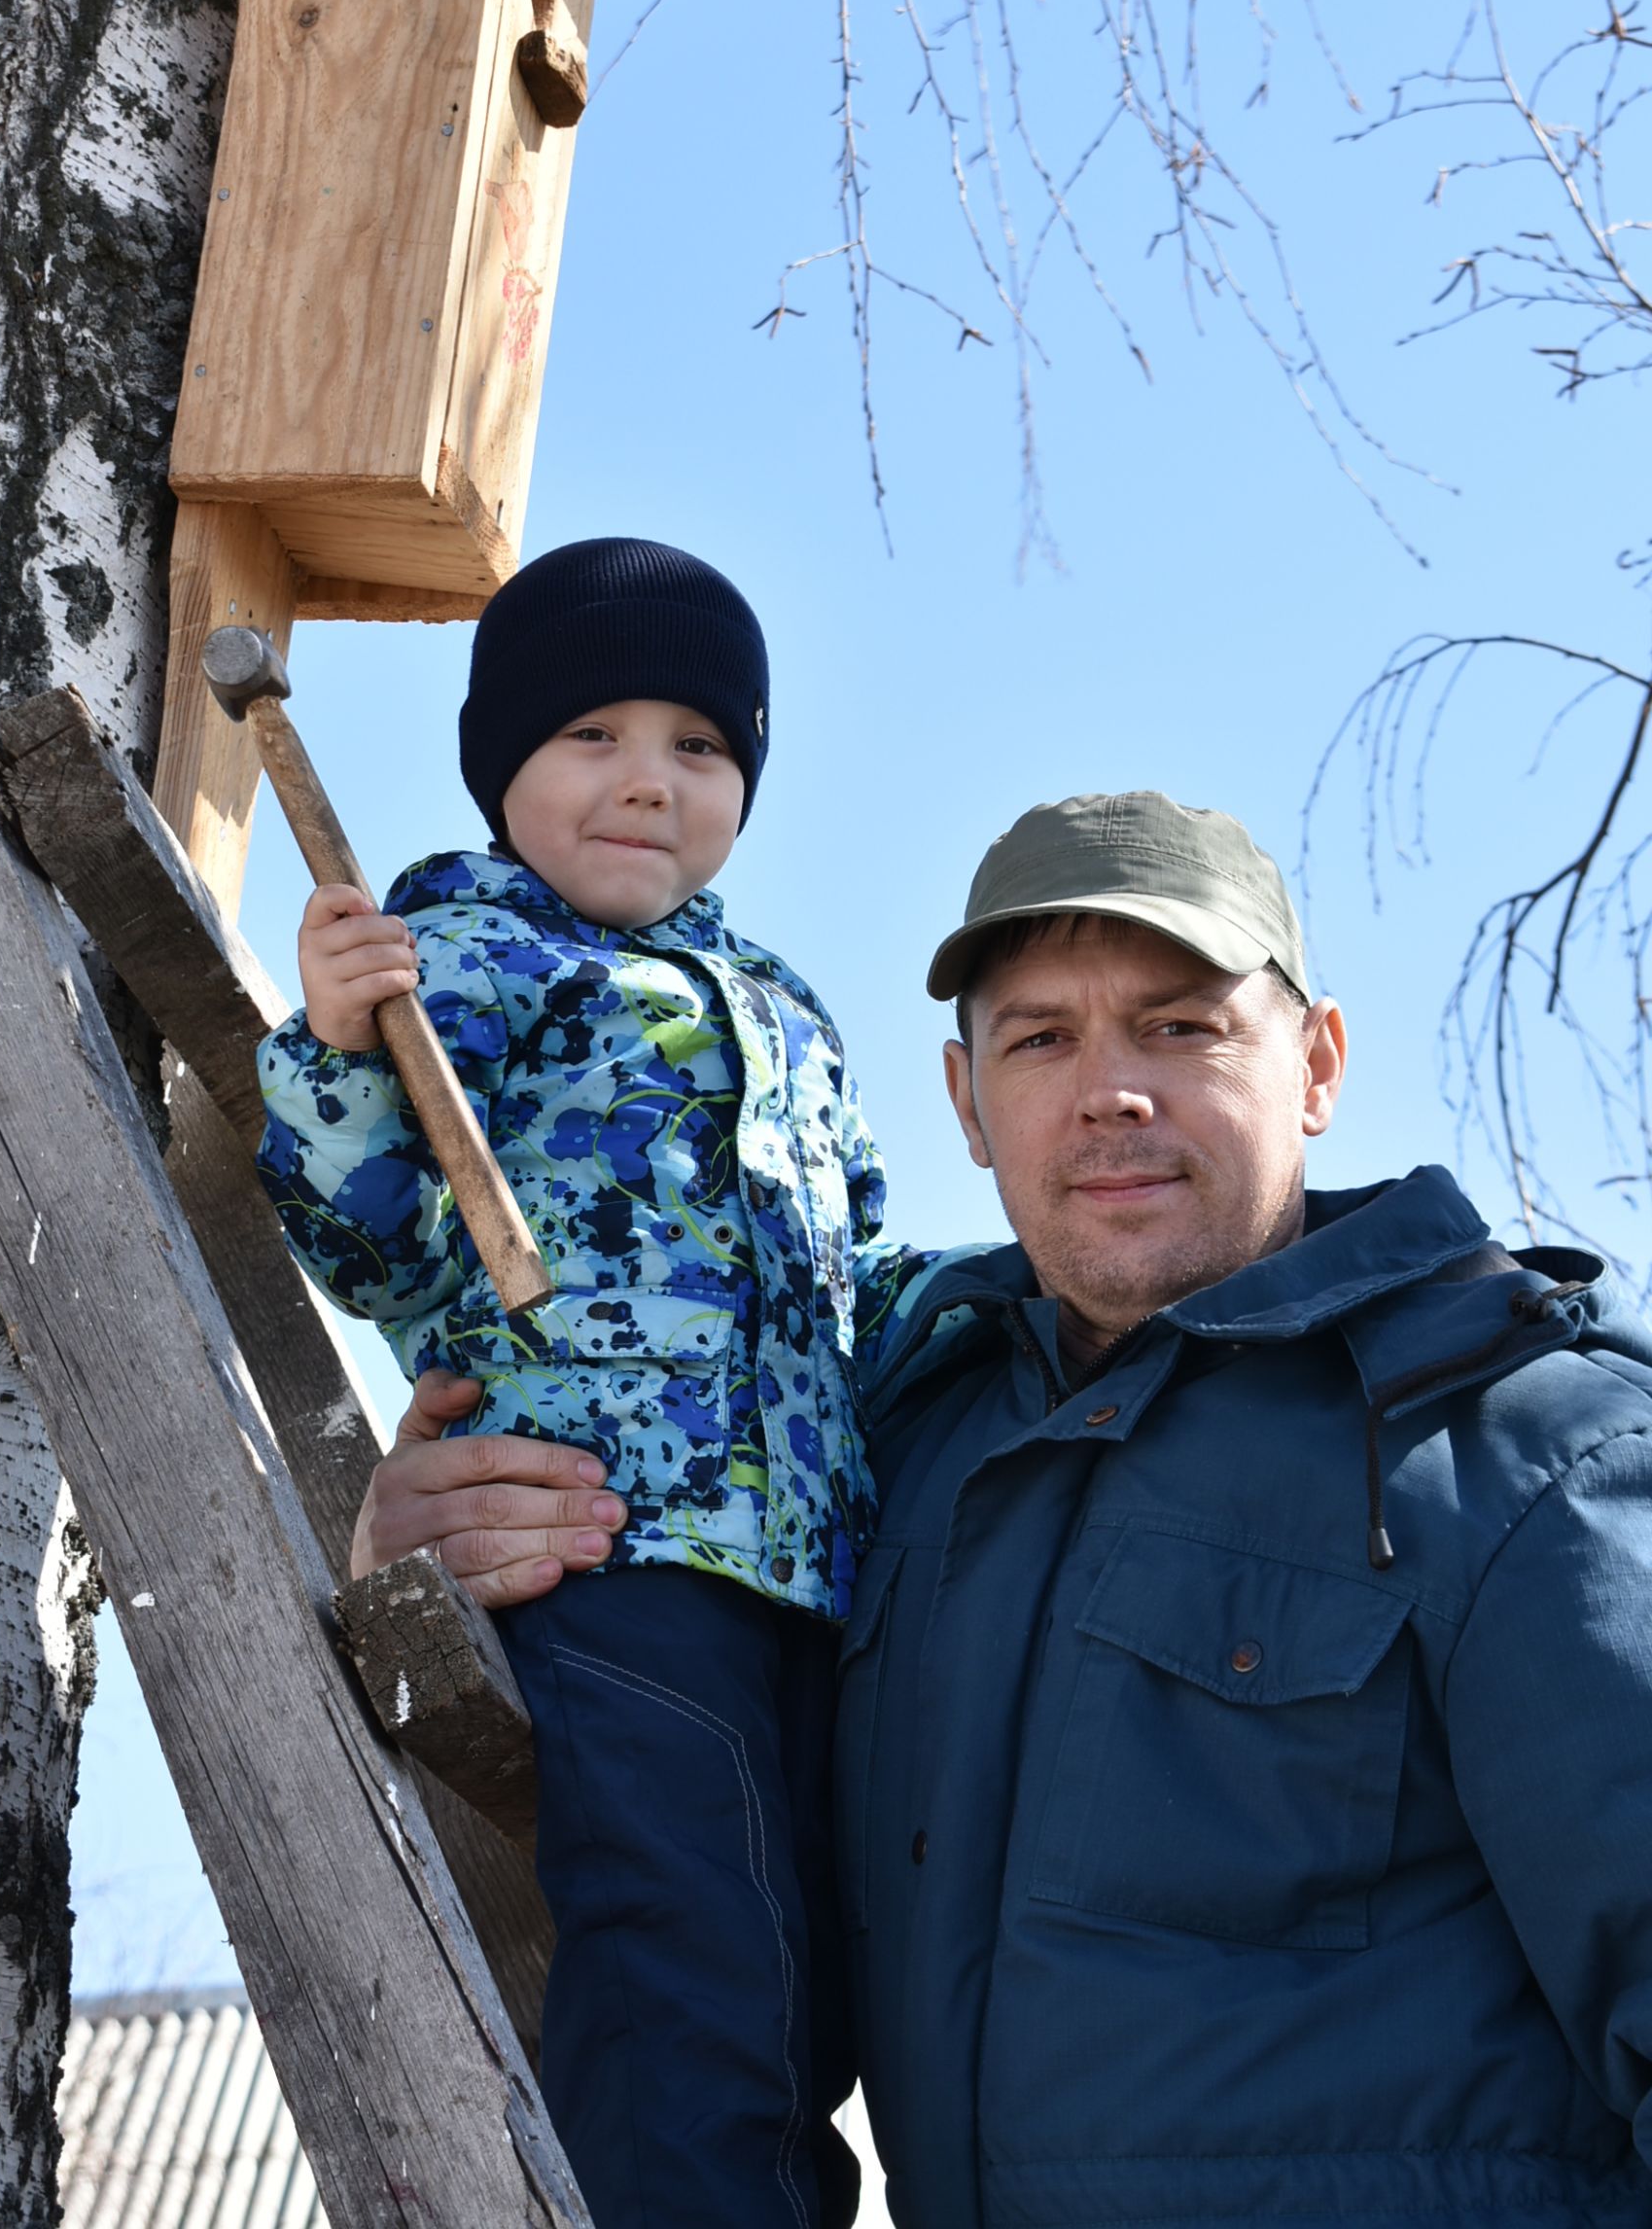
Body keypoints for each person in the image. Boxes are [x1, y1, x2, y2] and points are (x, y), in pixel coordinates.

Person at [357, 791, 1652, 2229]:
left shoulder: (1525, 1448)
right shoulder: (878, 1453)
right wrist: (437, 1543)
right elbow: (698, 1896)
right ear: (969, 1102)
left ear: (1318, 1064)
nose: (1111, 1093)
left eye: (1182, 1025)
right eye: (1042, 1037)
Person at [256, 537, 931, 2229]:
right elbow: (376, 1248)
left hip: (812, 1575)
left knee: (813, 1984)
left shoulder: (786, 1008)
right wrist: (336, 1050)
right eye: (595, 738)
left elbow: (858, 1261)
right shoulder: (466, 953)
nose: (651, 782)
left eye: (700, 748)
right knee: (685, 1955)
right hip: (604, 1551)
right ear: (505, 769)